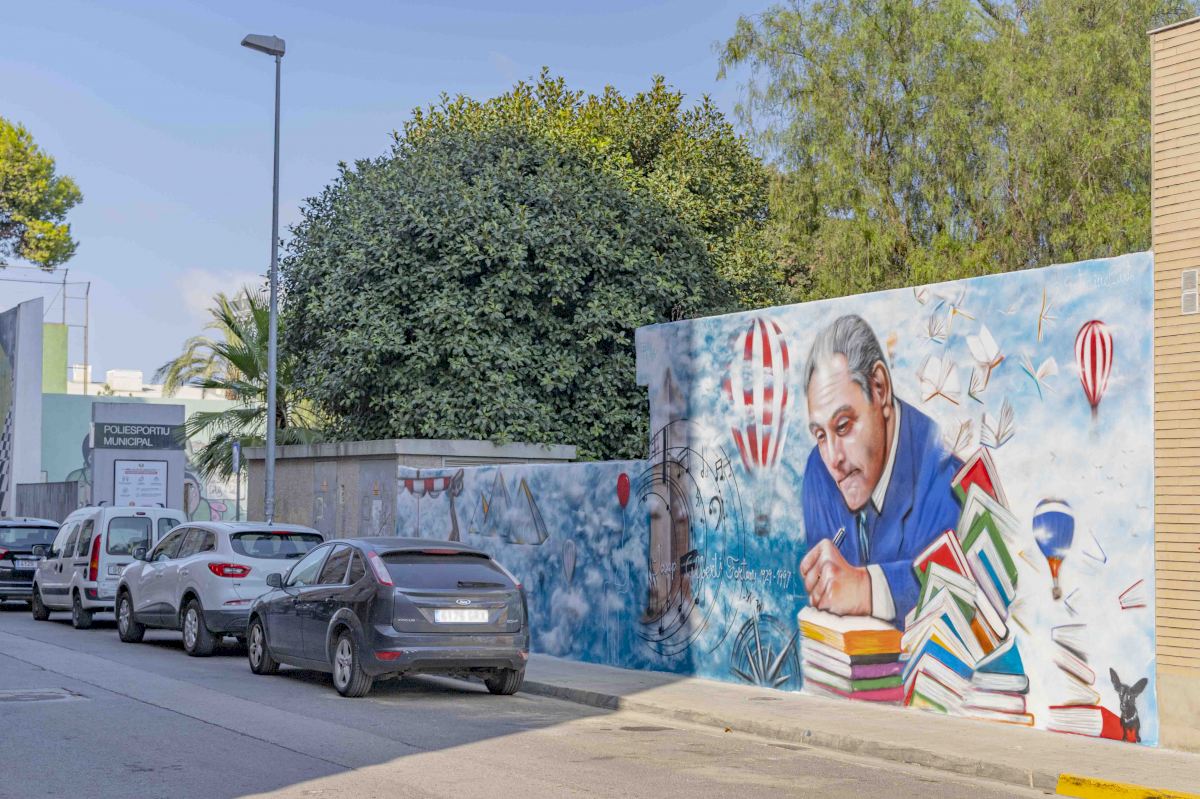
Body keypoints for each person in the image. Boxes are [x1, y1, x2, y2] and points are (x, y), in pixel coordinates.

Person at [798, 314, 962, 628]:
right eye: (820, 435)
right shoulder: (818, 474)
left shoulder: (944, 473)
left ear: (880, 388)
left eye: (843, 426)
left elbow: (958, 589)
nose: (833, 457)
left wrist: (868, 589)